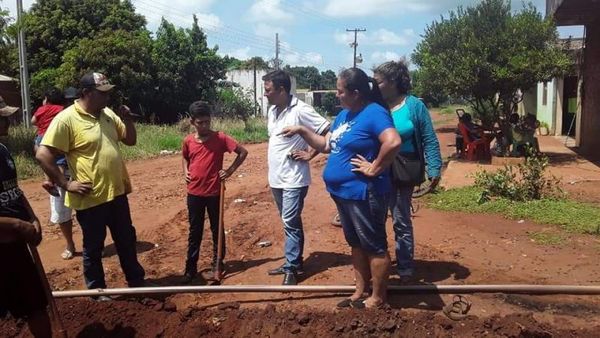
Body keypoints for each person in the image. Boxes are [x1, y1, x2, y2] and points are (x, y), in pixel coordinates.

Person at [279, 68, 401, 308]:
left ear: (355, 93)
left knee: (374, 245)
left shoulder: (373, 113)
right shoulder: (345, 115)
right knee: (356, 244)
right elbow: (326, 145)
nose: (337, 95)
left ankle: (377, 297)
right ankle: (359, 291)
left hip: (364, 193)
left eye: (340, 90)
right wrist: (303, 130)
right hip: (343, 194)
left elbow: (393, 141)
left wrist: (375, 167)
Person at [36, 72, 146, 292]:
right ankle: (97, 291)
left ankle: (136, 282)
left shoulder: (106, 114)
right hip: (91, 197)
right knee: (94, 247)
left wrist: (127, 120)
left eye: (108, 93)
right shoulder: (67, 118)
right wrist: (66, 184)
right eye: (102, 93)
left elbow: (130, 141)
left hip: (116, 192)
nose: (107, 98)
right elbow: (43, 154)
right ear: (86, 93)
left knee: (126, 240)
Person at [373, 60, 442, 280]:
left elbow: (429, 138)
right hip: (377, 168)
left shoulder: (414, 106)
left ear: (392, 82)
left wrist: (434, 168)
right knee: (375, 218)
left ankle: (405, 266)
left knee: (400, 218)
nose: (375, 86)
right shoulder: (374, 106)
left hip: (404, 168)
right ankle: (381, 264)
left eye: (378, 82)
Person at [263, 70, 330, 286]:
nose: (265, 94)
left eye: (268, 90)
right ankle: (295, 261)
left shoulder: (301, 110)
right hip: (276, 178)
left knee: (290, 221)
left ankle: (291, 266)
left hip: (294, 178)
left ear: (281, 90)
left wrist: (311, 153)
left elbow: (328, 130)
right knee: (289, 221)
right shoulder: (273, 111)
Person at [0, 100, 52, 338]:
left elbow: (15, 191)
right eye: (3, 117)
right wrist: (16, 224)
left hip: (16, 247)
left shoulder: (2, 150)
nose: (8, 121)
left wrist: (32, 219)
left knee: (36, 306)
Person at [182, 101, 248, 283]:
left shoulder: (220, 138)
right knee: (195, 231)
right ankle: (190, 268)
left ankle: (218, 263)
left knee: (217, 228)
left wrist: (230, 171)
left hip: (214, 192)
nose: (204, 126)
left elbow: (242, 152)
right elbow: (185, 158)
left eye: (207, 122)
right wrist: (185, 171)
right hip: (194, 192)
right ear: (192, 122)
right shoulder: (188, 141)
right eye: (200, 122)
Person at [31, 88, 76, 260]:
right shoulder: (62, 113)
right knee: (61, 209)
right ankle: (70, 245)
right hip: (59, 160)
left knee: (89, 212)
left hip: (50, 146)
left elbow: (34, 121)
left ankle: (50, 179)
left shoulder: (47, 111)